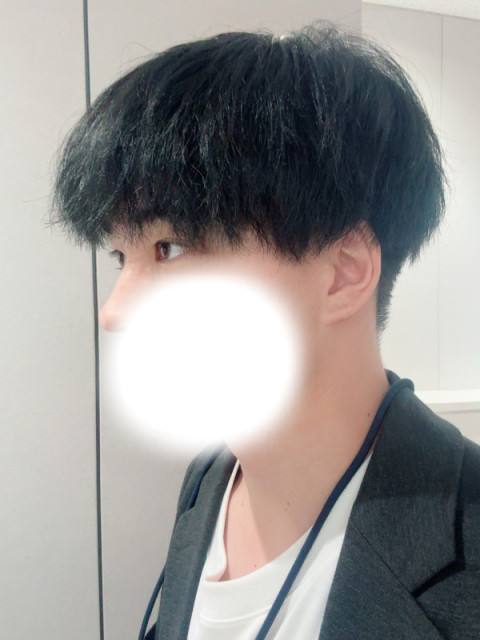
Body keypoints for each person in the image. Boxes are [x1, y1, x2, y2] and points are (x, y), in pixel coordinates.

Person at [51, 22, 480, 640]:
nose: (114, 311)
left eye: (170, 248)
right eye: (122, 257)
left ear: (343, 272)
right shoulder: (213, 478)